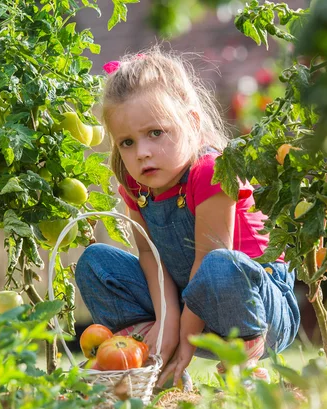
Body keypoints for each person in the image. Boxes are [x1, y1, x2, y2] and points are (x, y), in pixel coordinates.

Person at [75, 47, 300, 390]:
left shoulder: (211, 170)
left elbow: (208, 263)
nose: (142, 153)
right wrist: (165, 322)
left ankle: (242, 364)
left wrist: (184, 341)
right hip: (186, 299)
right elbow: (150, 255)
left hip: (257, 311)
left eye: (155, 133)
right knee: (95, 263)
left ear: (192, 123)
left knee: (220, 265)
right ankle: (148, 362)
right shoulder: (137, 184)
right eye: (127, 142)